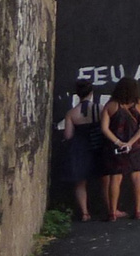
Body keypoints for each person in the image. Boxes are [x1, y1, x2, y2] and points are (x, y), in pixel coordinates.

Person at [99, 76, 140, 220]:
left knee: (115, 177)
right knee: (137, 176)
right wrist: (131, 142)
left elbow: (104, 128)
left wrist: (118, 142)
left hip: (116, 148)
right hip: (135, 146)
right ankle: (138, 210)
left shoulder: (111, 105)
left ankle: (112, 212)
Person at [62, 79, 104, 221]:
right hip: (98, 146)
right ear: (91, 93)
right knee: (105, 178)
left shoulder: (71, 113)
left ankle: (85, 212)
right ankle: (110, 208)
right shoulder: (100, 108)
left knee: (80, 182)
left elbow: (68, 135)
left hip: (79, 148)